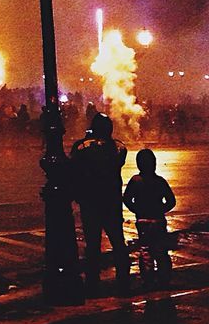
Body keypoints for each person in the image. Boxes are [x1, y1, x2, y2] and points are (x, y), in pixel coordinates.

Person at [70, 112, 130, 297]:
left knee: (93, 244)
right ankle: (124, 281)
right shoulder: (119, 148)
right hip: (111, 200)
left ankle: (92, 283)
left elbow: (75, 169)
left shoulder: (81, 147)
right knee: (118, 242)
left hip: (90, 201)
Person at [123, 149, 176, 291]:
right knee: (160, 250)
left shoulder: (135, 181)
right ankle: (164, 279)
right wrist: (160, 209)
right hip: (158, 219)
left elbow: (127, 199)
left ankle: (148, 280)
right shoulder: (160, 181)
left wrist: (137, 210)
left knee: (146, 251)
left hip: (143, 220)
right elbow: (171, 201)